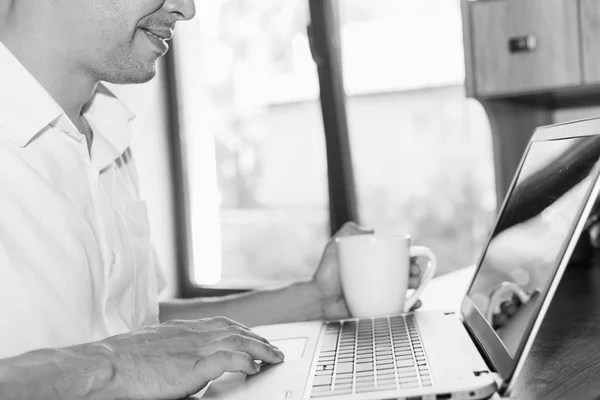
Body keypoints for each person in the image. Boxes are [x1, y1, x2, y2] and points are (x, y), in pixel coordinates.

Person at [0, 1, 422, 398]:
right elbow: (126, 354)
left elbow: (137, 331)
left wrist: (313, 299)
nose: (187, 8)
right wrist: (112, 365)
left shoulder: (107, 128)